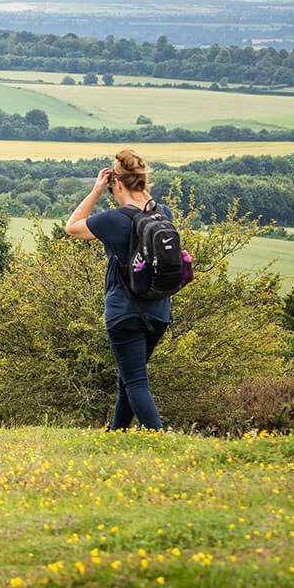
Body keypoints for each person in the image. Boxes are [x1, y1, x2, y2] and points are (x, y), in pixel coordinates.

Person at [64, 149, 171, 431]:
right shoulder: (163, 213)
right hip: (159, 311)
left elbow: (72, 227)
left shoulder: (113, 220)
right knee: (129, 375)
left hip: (125, 312)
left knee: (135, 381)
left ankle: (158, 438)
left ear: (117, 184)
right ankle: (116, 434)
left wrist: (97, 191)